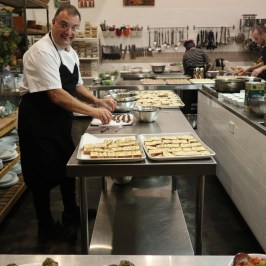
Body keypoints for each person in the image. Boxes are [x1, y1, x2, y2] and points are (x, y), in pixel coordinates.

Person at [17, 4, 116, 242]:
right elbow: (56, 94)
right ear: (53, 23)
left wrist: (97, 100)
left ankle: (71, 212)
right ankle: (45, 226)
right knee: (40, 175)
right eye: (64, 25)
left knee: (66, 167)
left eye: (74, 27)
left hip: (59, 120)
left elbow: (75, 85)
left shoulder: (70, 51)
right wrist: (93, 111)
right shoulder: (42, 51)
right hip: (38, 122)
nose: (69, 32)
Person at [181, 40, 211, 116]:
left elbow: (185, 67)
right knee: (200, 91)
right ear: (194, 45)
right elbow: (209, 63)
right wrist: (204, 71)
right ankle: (202, 111)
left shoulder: (186, 54)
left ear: (186, 47)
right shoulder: (201, 51)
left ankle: (186, 112)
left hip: (190, 72)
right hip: (200, 72)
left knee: (188, 92)